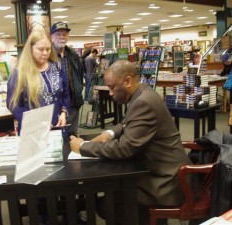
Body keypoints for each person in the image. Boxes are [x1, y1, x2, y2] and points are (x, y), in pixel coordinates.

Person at [69, 60, 191, 225]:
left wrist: (83, 147)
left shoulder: (143, 102)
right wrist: (109, 133)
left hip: (165, 182)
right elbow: (128, 122)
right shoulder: (144, 93)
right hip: (161, 170)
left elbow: (124, 149)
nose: (110, 93)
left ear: (127, 81)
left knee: (109, 203)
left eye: (112, 87)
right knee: (114, 187)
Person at [7, 30, 70, 135]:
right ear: (30, 49)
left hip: (57, 128)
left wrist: (63, 113)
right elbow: (13, 104)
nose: (45, 53)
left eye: (48, 49)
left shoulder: (57, 67)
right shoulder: (20, 73)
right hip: (33, 132)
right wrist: (36, 122)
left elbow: (66, 94)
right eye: (40, 49)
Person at [51, 21, 84, 139]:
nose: (62, 37)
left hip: (74, 103)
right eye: (58, 34)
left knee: (73, 136)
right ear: (52, 37)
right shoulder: (48, 56)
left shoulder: (73, 55)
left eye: (64, 34)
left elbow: (79, 74)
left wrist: (79, 91)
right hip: (57, 106)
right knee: (58, 138)